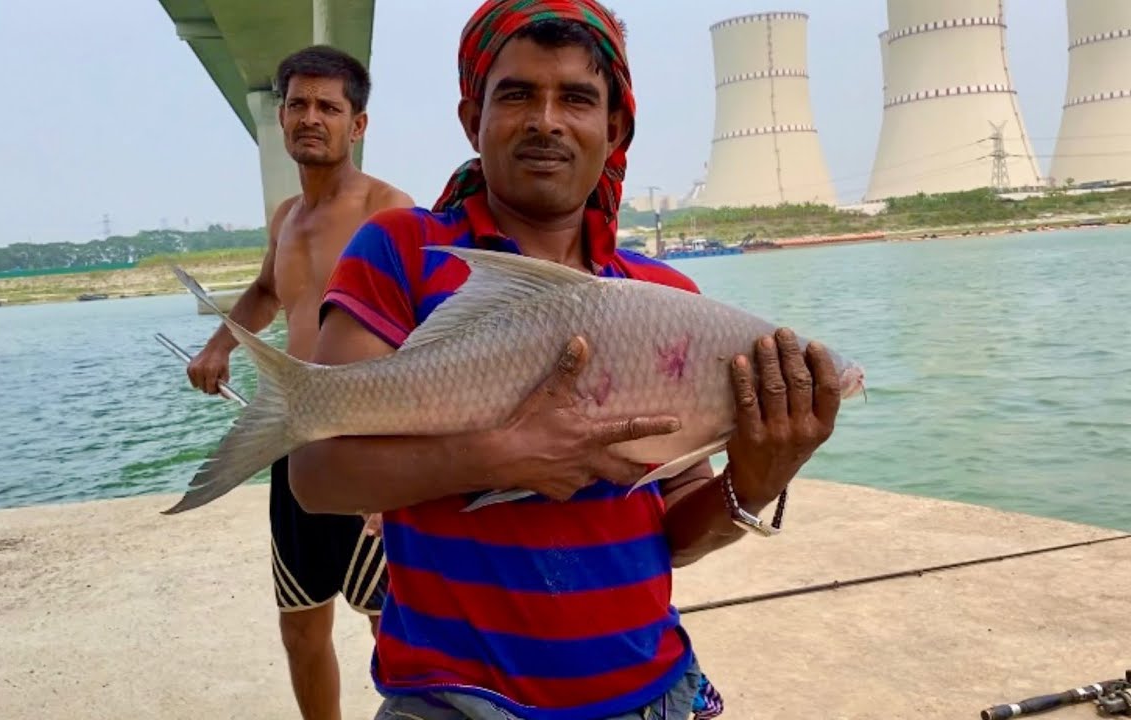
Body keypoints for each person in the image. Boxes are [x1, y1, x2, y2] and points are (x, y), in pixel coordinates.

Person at [288, 2, 842, 719]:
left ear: (613, 127)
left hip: (652, 693)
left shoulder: (667, 298)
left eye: (577, 98)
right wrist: (502, 455)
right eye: (516, 93)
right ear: (471, 117)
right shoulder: (401, 251)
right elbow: (318, 477)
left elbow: (675, 533)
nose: (546, 120)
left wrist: (755, 481)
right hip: (453, 701)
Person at [184, 44, 414, 720]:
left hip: (368, 449)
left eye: (329, 107)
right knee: (301, 625)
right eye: (298, 105)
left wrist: (403, 474)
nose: (311, 117)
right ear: (281, 117)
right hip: (293, 444)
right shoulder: (285, 217)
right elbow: (263, 291)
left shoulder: (390, 212)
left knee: (396, 629)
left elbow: (430, 333)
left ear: (358, 125)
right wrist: (219, 345)